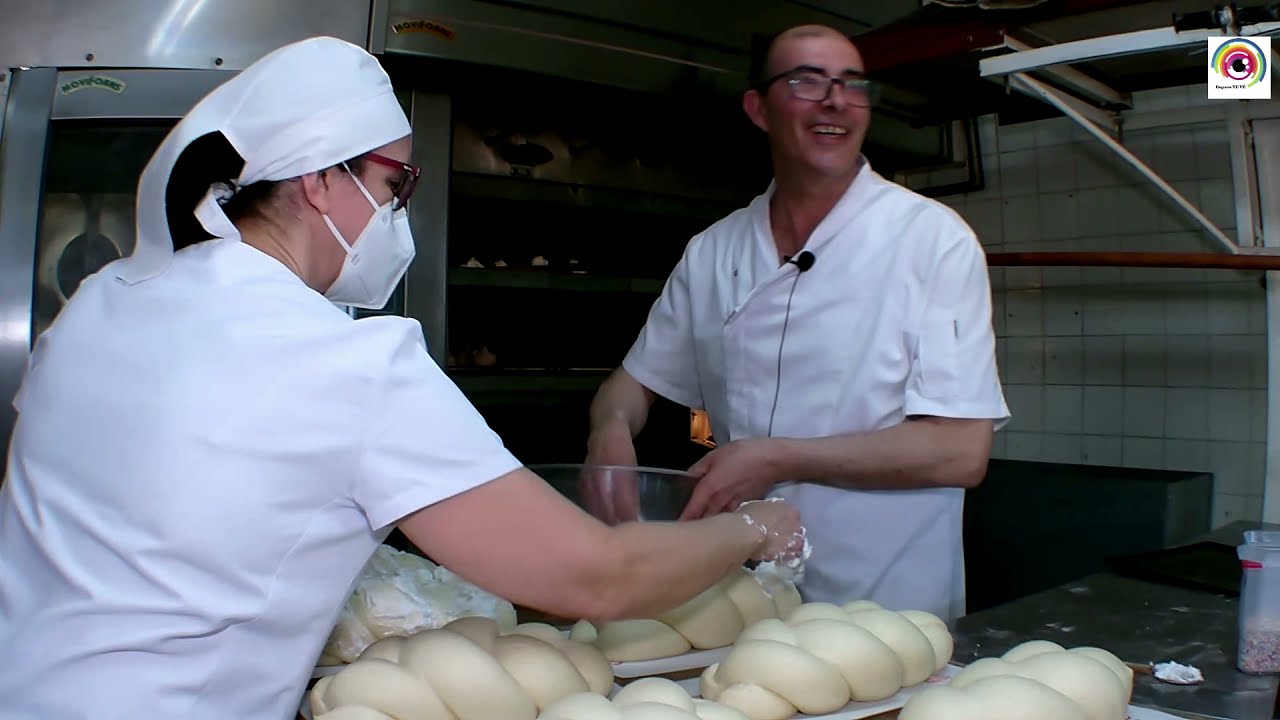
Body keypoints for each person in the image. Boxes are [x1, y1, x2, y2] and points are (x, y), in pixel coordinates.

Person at [0, 37, 805, 720]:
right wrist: (753, 530)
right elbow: (595, 575)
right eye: (394, 185)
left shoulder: (102, 300)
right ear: (320, 180)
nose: (399, 214)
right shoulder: (343, 360)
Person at [585, 25, 1009, 624]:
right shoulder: (714, 250)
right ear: (759, 108)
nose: (835, 100)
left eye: (851, 84)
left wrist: (773, 458)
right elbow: (631, 385)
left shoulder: (930, 240)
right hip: (738, 599)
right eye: (807, 81)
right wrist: (611, 434)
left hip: (886, 604)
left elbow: (961, 451)